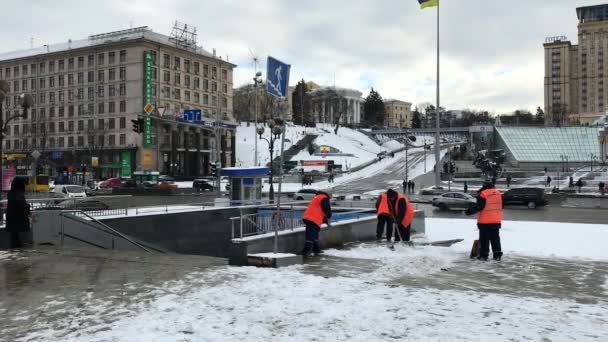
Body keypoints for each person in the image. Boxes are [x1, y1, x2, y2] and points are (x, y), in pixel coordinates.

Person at [466, 180, 503, 261]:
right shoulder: (498, 193)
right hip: (496, 221)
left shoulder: (483, 194)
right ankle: (497, 255)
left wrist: (468, 211)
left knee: (484, 239)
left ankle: (484, 255)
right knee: (495, 238)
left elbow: (479, 207)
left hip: (485, 221)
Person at [301, 190, 332, 257]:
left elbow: (320, 210)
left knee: (314, 234)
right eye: (331, 196)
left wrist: (326, 222)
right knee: (311, 235)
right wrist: (329, 215)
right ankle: (306, 252)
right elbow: (326, 208)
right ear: (329, 194)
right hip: (313, 218)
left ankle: (316, 249)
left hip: (310, 217)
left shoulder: (318, 197)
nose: (331, 197)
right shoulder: (324, 197)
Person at [5, 178, 31, 249]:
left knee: (14, 239)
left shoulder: (11, 194)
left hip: (12, 221)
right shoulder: (18, 194)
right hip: (18, 222)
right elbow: (23, 206)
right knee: (20, 243)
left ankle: (14, 253)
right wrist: (28, 206)